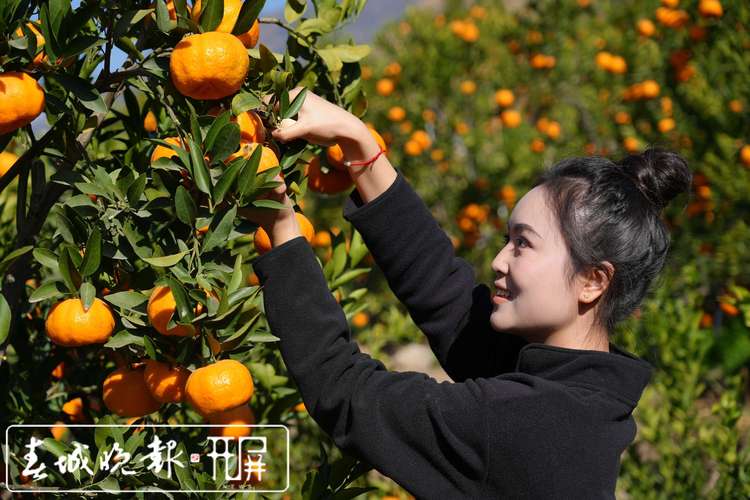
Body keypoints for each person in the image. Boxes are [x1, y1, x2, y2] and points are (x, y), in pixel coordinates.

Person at [244, 87, 692, 499]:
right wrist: (359, 145)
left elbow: (346, 392)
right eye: (506, 238)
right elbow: (450, 303)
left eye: (523, 243)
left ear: (593, 280)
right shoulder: (580, 400)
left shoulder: (528, 424)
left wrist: (281, 228)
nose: (499, 260)